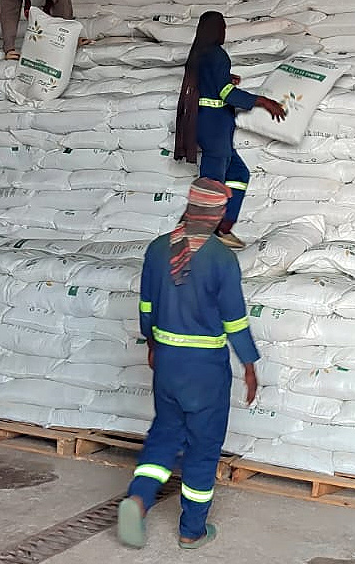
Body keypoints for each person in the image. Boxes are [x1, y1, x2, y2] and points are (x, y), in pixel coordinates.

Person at [117, 178, 260, 550]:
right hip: (205, 369)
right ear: (217, 214)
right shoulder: (221, 258)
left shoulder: (157, 249)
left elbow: (146, 306)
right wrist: (248, 363)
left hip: (166, 361)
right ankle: (191, 529)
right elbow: (234, 320)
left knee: (165, 433)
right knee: (202, 446)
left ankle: (138, 499)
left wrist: (151, 341)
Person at [174, 11, 286, 249]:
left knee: (238, 174)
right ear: (217, 30)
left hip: (208, 125)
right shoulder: (217, 54)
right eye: (223, 27)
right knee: (212, 183)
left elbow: (210, 82)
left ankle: (223, 226)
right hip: (214, 126)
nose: (224, 32)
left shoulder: (199, 54)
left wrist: (226, 77)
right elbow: (226, 94)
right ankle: (195, 234)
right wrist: (264, 101)